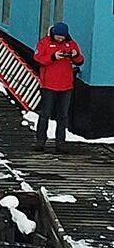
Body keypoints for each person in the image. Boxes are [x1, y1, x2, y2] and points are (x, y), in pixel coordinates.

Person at [33, 22, 85, 151]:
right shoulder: (44, 43)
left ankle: (60, 142)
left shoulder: (71, 44)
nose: (60, 38)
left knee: (63, 115)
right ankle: (40, 141)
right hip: (48, 85)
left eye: (62, 36)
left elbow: (80, 60)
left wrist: (75, 55)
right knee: (45, 113)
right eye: (58, 36)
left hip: (66, 85)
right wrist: (53, 57)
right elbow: (38, 59)